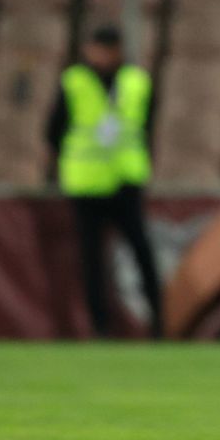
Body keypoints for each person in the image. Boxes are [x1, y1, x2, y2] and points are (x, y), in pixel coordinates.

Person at [45, 25, 163, 339]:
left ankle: (160, 324)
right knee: (91, 259)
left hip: (126, 179)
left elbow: (147, 126)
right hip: (87, 184)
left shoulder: (136, 81)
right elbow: (54, 130)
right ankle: (100, 328)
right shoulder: (75, 81)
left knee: (142, 252)